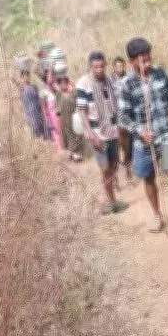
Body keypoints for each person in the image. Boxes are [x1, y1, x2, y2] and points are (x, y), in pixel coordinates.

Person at [118, 37, 168, 233]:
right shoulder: (126, 84)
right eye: (143, 61)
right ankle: (157, 214)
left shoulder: (161, 74)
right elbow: (123, 117)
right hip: (144, 142)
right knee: (148, 178)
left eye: (149, 59)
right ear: (132, 61)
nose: (148, 64)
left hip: (166, 133)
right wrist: (140, 131)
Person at [77, 51, 128, 215]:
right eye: (95, 67)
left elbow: (116, 104)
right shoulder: (83, 83)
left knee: (113, 166)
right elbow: (81, 110)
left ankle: (112, 199)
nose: (99, 69)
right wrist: (90, 133)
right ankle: (109, 200)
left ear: (105, 65)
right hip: (97, 134)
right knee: (105, 168)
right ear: (91, 67)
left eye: (101, 66)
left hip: (112, 132)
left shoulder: (110, 81)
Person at [111, 57, 134, 186]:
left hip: (127, 117)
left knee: (127, 147)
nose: (120, 68)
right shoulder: (110, 81)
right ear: (114, 67)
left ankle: (128, 171)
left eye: (122, 66)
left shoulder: (129, 78)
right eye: (117, 66)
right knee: (115, 148)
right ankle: (114, 178)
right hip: (115, 119)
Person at [55, 66, 84, 162]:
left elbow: (78, 101)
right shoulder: (59, 94)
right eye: (61, 83)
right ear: (59, 84)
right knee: (68, 137)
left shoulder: (73, 93)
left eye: (65, 82)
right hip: (64, 120)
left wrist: (72, 84)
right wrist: (59, 121)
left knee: (77, 135)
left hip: (74, 118)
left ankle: (75, 154)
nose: (63, 84)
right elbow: (58, 110)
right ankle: (74, 154)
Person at [15, 70, 50, 140]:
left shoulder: (34, 87)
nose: (27, 78)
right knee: (34, 134)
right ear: (21, 77)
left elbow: (39, 99)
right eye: (24, 76)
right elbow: (22, 103)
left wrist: (43, 111)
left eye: (28, 76)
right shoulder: (21, 89)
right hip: (29, 114)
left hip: (38, 113)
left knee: (43, 133)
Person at [39, 62, 66, 155]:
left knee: (62, 133)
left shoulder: (55, 88)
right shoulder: (44, 92)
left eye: (53, 76)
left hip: (60, 114)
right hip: (52, 117)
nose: (52, 78)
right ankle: (61, 152)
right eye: (50, 76)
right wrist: (47, 120)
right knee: (57, 134)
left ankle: (64, 151)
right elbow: (43, 109)